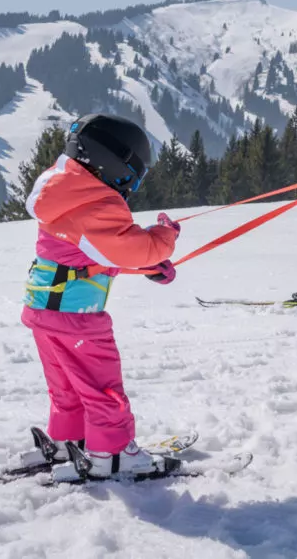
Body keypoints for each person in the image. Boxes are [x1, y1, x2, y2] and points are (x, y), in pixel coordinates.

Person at [20, 113, 181, 481]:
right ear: (116, 164)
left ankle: (68, 441)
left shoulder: (63, 195)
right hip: (78, 319)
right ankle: (112, 455)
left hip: (45, 313)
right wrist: (163, 238)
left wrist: (147, 268)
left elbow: (87, 255)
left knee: (68, 388)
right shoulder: (98, 204)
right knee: (101, 387)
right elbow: (130, 248)